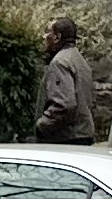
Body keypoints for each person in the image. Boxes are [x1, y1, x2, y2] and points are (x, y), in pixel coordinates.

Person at [35, 15, 98, 143]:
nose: (44, 38)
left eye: (47, 33)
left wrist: (42, 124)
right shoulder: (80, 61)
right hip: (82, 135)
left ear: (57, 37)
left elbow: (64, 105)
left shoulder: (59, 62)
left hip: (65, 138)